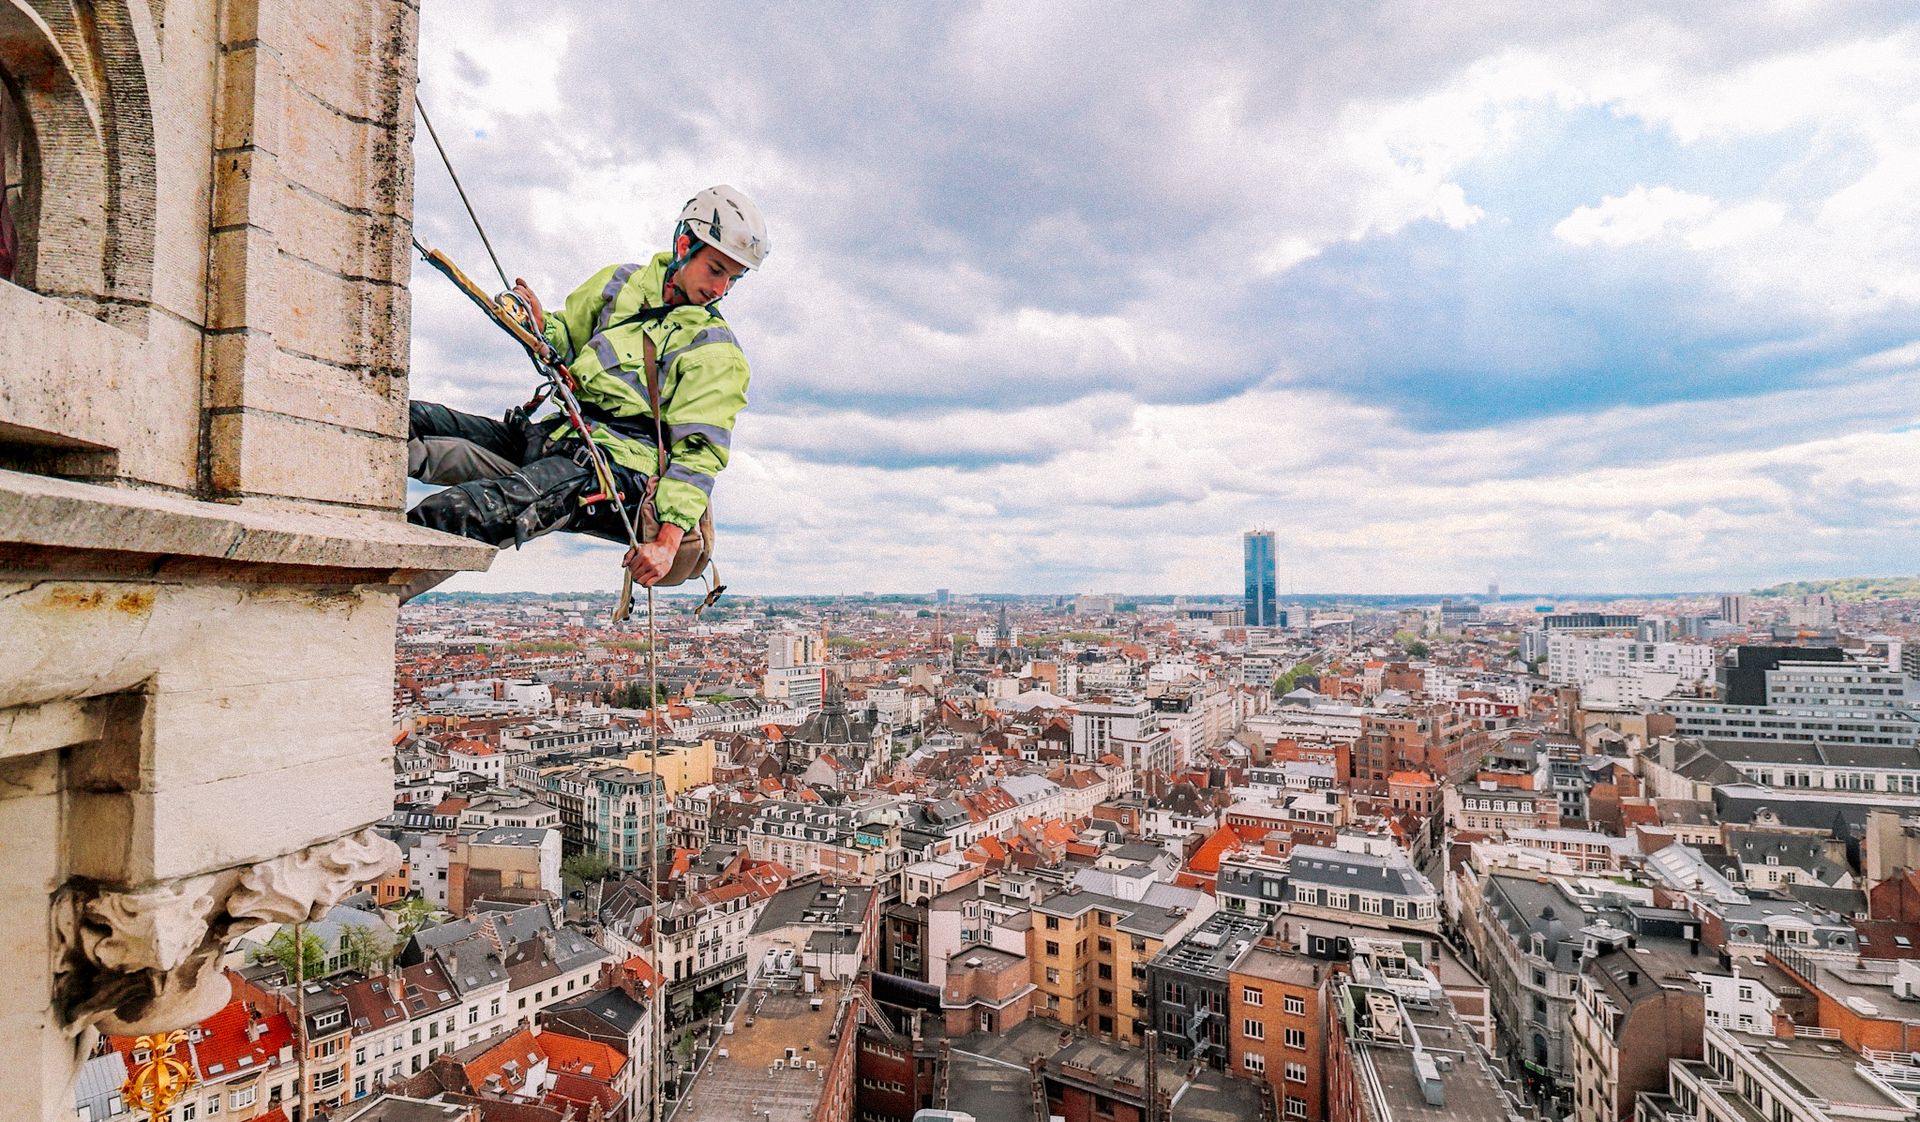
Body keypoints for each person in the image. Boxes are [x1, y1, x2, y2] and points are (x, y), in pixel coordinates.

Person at [407, 185, 766, 585]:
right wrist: (542, 325)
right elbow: (568, 338)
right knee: (407, 421)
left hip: (619, 471)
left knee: (460, 513)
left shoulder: (715, 349)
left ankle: (366, 603)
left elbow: (699, 454)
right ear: (685, 245)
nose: (720, 290)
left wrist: (666, 542)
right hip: (562, 436)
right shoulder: (621, 284)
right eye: (716, 270)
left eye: (734, 279)